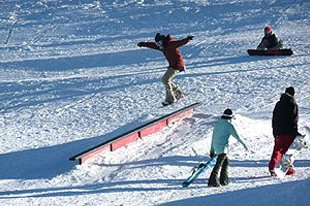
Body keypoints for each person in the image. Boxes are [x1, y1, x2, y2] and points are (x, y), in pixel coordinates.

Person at [137, 33, 193, 106]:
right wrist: (143, 44)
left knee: (165, 80)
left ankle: (171, 99)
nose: (159, 45)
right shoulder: (162, 47)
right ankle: (179, 93)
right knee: (166, 80)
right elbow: (152, 45)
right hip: (172, 66)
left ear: (163, 41)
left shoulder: (170, 44)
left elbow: (180, 42)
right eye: (157, 44)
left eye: (159, 43)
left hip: (178, 65)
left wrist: (187, 39)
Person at [208, 109, 248, 187]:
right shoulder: (229, 125)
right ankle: (212, 181)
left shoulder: (218, 123)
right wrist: (245, 145)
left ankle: (224, 180)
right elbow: (238, 137)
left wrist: (212, 150)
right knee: (218, 165)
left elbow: (213, 137)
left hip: (216, 146)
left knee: (225, 162)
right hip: (222, 148)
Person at [269, 86, 301, 176]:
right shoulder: (293, 104)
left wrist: (275, 131)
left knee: (277, 149)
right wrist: (295, 131)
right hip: (289, 131)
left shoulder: (278, 104)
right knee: (287, 151)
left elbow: (274, 118)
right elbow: (294, 119)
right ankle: (287, 169)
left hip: (278, 131)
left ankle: (272, 166)